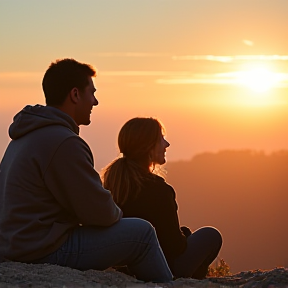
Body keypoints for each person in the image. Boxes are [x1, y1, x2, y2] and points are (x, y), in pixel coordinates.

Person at [0, 59, 173, 283]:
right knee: (142, 233)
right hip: (42, 250)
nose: (95, 101)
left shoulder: (24, 135)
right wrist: (116, 213)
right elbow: (99, 212)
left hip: (15, 245)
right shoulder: (64, 142)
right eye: (91, 93)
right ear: (75, 95)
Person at [102, 117, 223, 279]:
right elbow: (175, 247)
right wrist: (185, 235)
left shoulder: (114, 184)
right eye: (161, 139)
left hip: (126, 265)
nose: (167, 145)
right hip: (160, 268)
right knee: (210, 235)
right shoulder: (159, 191)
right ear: (149, 147)